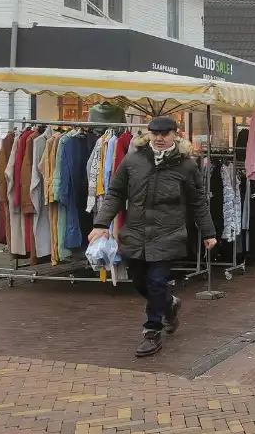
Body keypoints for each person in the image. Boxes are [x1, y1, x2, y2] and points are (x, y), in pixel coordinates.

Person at [89, 117, 217, 358]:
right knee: (140, 282)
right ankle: (169, 304)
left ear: (175, 135)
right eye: (155, 133)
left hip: (168, 234)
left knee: (157, 281)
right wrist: (101, 223)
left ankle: (152, 331)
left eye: (165, 133)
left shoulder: (187, 165)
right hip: (135, 233)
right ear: (148, 134)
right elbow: (115, 192)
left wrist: (208, 232)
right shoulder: (133, 159)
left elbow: (198, 200)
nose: (159, 138)